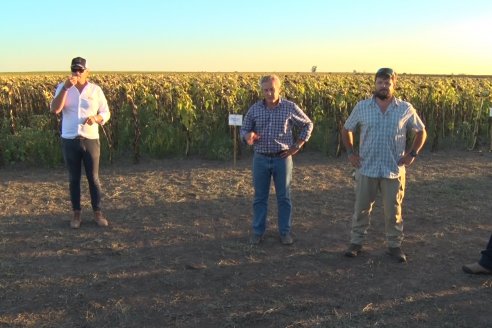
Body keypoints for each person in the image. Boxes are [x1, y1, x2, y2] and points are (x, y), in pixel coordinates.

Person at [341, 68, 427, 262]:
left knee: (393, 211)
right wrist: (350, 153)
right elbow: (347, 129)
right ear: (375, 84)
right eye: (380, 82)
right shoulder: (362, 107)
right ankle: (356, 242)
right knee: (361, 208)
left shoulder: (405, 108)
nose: (383, 86)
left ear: (394, 84)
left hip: (393, 169)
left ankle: (394, 246)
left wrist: (412, 154)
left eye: (387, 83)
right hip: (366, 167)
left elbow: (421, 131)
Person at [240, 74, 313, 245]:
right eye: (265, 90)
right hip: (260, 158)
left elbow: (308, 124)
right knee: (259, 197)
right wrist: (247, 136)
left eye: (272, 89)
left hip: (282, 158)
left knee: (284, 197)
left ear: (279, 89)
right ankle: (258, 232)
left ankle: (285, 232)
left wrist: (298, 145)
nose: (269, 93)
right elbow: (244, 129)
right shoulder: (255, 109)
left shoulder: (289, 107)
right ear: (262, 91)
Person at [50, 57, 111, 229]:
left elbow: (106, 112)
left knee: (93, 178)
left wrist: (97, 118)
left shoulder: (95, 90)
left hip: (90, 139)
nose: (77, 73)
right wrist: (65, 89)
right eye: (74, 70)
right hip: (70, 140)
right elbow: (55, 109)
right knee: (73, 179)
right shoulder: (63, 88)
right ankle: (76, 214)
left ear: (87, 71)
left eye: (80, 70)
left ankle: (97, 213)